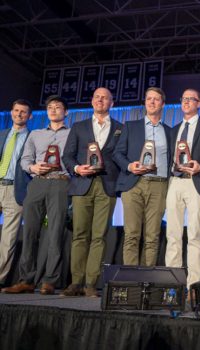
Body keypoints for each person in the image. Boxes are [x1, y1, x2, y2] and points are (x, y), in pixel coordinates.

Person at [2, 95, 70, 295]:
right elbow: (25, 160)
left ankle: (50, 280)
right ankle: (26, 280)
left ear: (65, 112)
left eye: (58, 107)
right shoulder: (36, 134)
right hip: (37, 183)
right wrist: (33, 167)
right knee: (30, 232)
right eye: (50, 107)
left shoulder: (73, 134)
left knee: (56, 232)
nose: (53, 110)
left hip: (60, 182)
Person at [61, 88, 123, 297]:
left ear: (111, 103)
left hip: (107, 185)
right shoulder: (78, 127)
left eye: (105, 97)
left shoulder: (120, 129)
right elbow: (67, 156)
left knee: (99, 236)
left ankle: (90, 284)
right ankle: (76, 282)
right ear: (92, 101)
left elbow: (121, 157)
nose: (101, 100)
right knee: (79, 234)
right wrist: (78, 168)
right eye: (97, 97)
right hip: (82, 184)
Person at [165, 89, 200, 291]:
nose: (187, 102)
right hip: (175, 182)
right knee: (172, 234)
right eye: (184, 98)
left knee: (195, 235)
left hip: (197, 182)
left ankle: (193, 284)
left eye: (191, 99)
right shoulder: (174, 129)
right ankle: (173, 284)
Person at [113, 87, 171, 266]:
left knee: (152, 236)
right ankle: (131, 280)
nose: (152, 102)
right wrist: (130, 166)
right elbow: (117, 153)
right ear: (145, 103)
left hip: (159, 185)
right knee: (131, 234)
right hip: (134, 183)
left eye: (156, 99)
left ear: (162, 104)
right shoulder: (130, 126)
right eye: (149, 99)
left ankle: (148, 279)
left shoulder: (169, 131)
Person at [0, 99, 32, 288]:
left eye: (23, 112)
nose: (19, 114)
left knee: (8, 239)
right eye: (16, 111)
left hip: (16, 190)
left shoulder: (33, 138)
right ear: (11, 112)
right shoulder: (2, 134)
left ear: (29, 116)